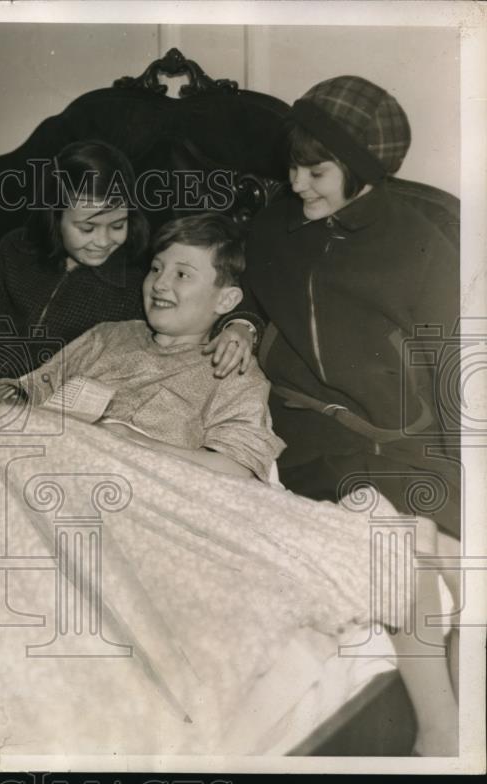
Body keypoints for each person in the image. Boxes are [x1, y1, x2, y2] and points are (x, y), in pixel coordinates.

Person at [223, 75, 460, 755]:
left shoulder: (419, 242)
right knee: (390, 535)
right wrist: (239, 323)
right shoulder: (271, 226)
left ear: (362, 171)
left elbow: (450, 364)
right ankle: (438, 729)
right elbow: (246, 294)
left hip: (407, 433)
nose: (297, 184)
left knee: (456, 548)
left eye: (317, 170)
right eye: (292, 166)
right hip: (317, 436)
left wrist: (458, 469)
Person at [0, 212, 284, 482]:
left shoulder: (231, 369)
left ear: (226, 299)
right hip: (42, 466)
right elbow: (29, 390)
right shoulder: (108, 337)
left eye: (182, 274)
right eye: (157, 268)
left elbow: (240, 470)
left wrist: (132, 442)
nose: (160, 284)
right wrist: (10, 400)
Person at [0, 140, 259, 401]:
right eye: (87, 227)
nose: (103, 241)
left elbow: (201, 303)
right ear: (54, 216)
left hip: (65, 414)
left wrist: (241, 326)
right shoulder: (16, 250)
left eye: (117, 225)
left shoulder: (138, 275)